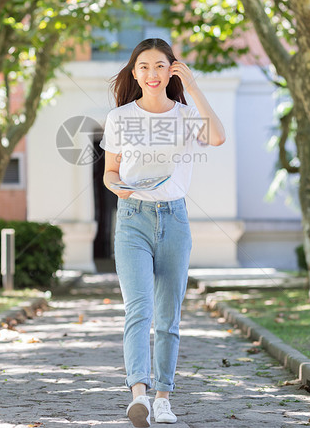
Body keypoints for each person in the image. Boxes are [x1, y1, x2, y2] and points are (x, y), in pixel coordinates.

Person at [100, 38, 226, 426]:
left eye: (160, 66)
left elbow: (217, 137)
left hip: (174, 220)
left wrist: (194, 86)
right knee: (139, 309)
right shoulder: (120, 117)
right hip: (133, 219)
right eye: (144, 67)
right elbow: (110, 172)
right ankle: (138, 393)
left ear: (171, 70)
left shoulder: (187, 116)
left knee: (168, 317)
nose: (151, 74)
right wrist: (116, 187)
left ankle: (164, 398)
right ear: (133, 72)